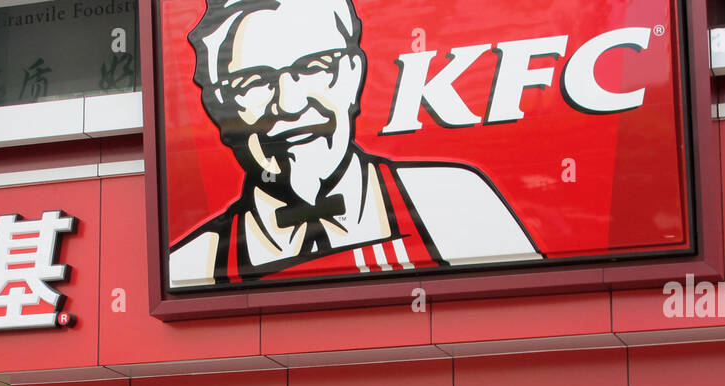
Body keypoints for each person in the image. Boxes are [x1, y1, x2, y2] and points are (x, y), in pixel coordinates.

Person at [168, 0, 539, 289]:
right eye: (252, 83)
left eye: (314, 67)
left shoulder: (452, 204)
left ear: (353, 76)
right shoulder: (191, 266)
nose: (290, 103)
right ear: (217, 108)